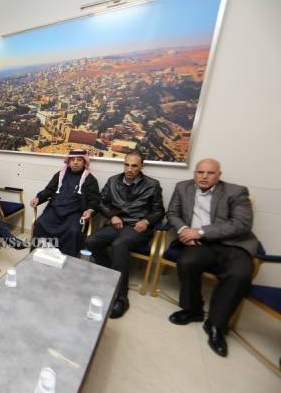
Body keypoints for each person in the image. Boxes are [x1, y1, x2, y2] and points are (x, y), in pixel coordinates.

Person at [167, 159, 259, 357]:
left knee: (240, 274)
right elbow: (173, 213)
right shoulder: (182, 187)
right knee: (186, 262)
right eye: (200, 172)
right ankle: (193, 310)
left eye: (210, 173)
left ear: (219, 175)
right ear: (194, 173)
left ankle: (216, 324)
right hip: (202, 245)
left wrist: (199, 232)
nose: (204, 176)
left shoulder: (236, 192)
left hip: (233, 244)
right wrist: (184, 230)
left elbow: (241, 224)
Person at [86, 150, 164, 319]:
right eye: (126, 165)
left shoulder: (152, 184)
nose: (129, 169)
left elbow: (159, 211)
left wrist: (147, 221)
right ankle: (112, 274)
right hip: (117, 223)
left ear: (142, 166)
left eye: (134, 166)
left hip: (137, 227)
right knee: (91, 241)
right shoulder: (113, 180)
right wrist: (112, 216)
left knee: (119, 245)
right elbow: (100, 202)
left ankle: (121, 297)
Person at [30, 149, 100, 257]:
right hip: (55, 210)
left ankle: (66, 259)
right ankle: (39, 254)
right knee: (40, 223)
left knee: (73, 231)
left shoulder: (90, 179)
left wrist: (90, 210)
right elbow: (49, 190)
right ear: (68, 161)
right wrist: (39, 198)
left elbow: (94, 200)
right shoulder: (60, 175)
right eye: (72, 160)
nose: (75, 162)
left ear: (84, 162)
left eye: (79, 160)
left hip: (75, 213)